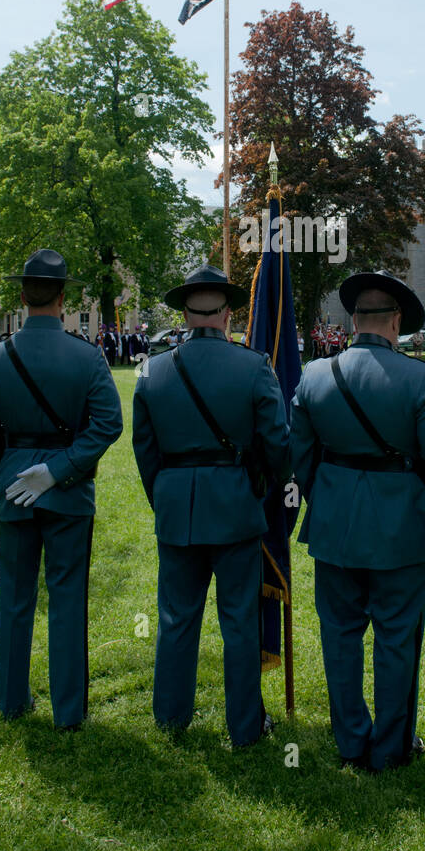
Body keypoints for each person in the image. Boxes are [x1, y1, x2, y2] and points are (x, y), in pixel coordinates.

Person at [290, 269, 425, 772]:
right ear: (396, 322)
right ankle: (389, 747)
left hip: (335, 524)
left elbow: (298, 456)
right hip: (400, 529)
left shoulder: (315, 375)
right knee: (396, 638)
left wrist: (333, 494)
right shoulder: (418, 379)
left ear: (354, 320)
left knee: (339, 636)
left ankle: (350, 742)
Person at [132, 264, 291, 747]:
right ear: (226, 315)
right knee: (239, 619)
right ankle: (244, 727)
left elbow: (145, 450)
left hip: (178, 506)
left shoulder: (152, 370)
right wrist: (263, 487)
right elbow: (278, 443)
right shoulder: (253, 366)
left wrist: (166, 497)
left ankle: (170, 717)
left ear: (185, 314)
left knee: (177, 618)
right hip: (237, 506)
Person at [0, 249, 123, 729]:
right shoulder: (86, 355)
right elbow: (108, 424)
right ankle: (69, 711)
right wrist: (61, 469)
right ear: (64, 297)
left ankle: (11, 702)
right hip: (68, 489)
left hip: (13, 483)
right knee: (67, 599)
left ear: (22, 295)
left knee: (14, 600)